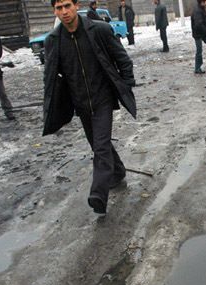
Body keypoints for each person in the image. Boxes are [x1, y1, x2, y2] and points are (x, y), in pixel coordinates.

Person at [42, 0, 136, 216]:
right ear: (54, 11)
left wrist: (126, 84)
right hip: (80, 103)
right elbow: (50, 76)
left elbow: (122, 59)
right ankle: (118, 171)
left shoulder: (99, 30)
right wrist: (52, 101)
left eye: (67, 5)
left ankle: (99, 195)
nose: (64, 12)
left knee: (101, 146)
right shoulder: (53, 41)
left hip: (102, 99)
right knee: (97, 144)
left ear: (76, 5)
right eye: (59, 8)